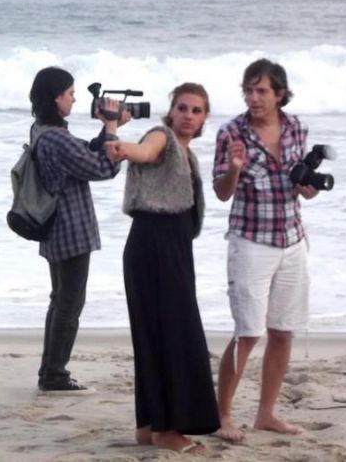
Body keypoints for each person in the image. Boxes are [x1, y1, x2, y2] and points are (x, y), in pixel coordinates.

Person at [109, 83, 220, 454]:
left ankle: (149, 426)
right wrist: (121, 144)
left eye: (196, 110)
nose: (188, 115)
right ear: (171, 111)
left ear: (204, 118)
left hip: (171, 248)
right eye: (182, 108)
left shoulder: (189, 155)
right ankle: (168, 430)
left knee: (158, 333)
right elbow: (143, 152)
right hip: (153, 245)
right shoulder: (162, 137)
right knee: (173, 334)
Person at [212, 59, 317, 441]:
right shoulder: (231, 132)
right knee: (247, 332)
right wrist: (234, 168)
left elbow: (302, 185)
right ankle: (223, 415)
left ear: (280, 94)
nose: (253, 98)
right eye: (248, 90)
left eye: (261, 91)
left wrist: (309, 188)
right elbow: (221, 192)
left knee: (282, 332)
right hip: (251, 241)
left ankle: (266, 414)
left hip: (292, 238)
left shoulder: (296, 127)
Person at [30, 66, 125, 393]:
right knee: (69, 305)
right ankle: (54, 375)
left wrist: (108, 129)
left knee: (60, 301)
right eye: (70, 93)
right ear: (55, 98)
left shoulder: (41, 129)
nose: (73, 99)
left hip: (54, 228)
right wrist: (111, 128)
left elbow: (83, 154)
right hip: (70, 230)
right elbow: (102, 167)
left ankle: (50, 370)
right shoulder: (56, 138)